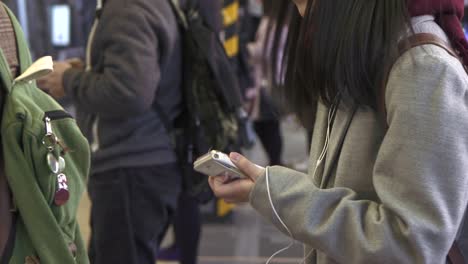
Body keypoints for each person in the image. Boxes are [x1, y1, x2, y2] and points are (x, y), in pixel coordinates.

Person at [209, 0, 468, 262]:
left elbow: (409, 245)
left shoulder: (423, 68)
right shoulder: (355, 51)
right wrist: (264, 188)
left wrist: (278, 193)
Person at [37, 0, 183, 263]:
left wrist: (69, 80)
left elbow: (130, 93)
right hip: (143, 166)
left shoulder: (127, 8)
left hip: (130, 169)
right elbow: (140, 75)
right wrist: (87, 72)